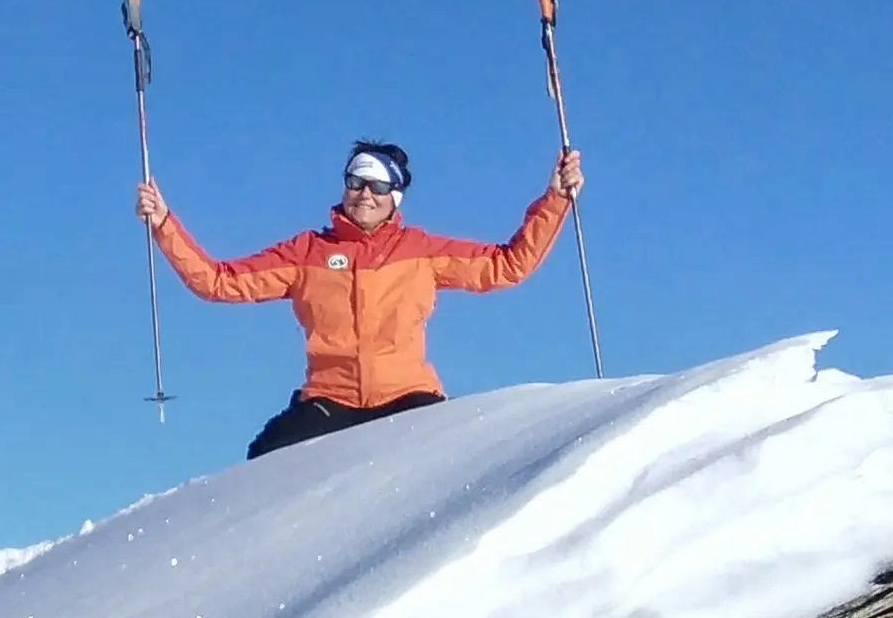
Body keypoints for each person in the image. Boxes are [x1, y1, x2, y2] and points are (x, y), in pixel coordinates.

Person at [135, 141, 584, 459]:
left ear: (395, 197)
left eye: (378, 186)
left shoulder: (421, 249)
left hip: (407, 396)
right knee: (266, 460)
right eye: (356, 182)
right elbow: (218, 282)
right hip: (331, 400)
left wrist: (556, 199)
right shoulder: (307, 252)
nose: (365, 194)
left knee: (450, 460)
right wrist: (163, 223)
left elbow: (508, 265)